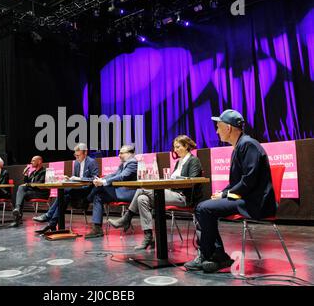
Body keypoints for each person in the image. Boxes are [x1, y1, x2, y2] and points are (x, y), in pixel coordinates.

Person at [184, 109, 277, 273]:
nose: (217, 131)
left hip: (255, 203)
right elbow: (237, 182)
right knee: (205, 207)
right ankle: (217, 254)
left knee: (203, 208)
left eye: (219, 126)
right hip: (246, 198)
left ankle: (209, 254)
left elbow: (249, 180)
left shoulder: (248, 145)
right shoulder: (240, 146)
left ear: (228, 127)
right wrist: (223, 192)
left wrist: (225, 194)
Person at [108, 135, 203, 250]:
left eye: (178, 147)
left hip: (183, 197)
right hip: (172, 193)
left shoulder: (193, 161)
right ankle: (148, 237)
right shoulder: (179, 162)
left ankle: (127, 218)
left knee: (142, 188)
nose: (175, 150)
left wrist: (174, 181)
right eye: (174, 147)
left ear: (186, 146)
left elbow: (192, 181)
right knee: (141, 199)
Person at [34, 143, 99, 234]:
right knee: (64, 197)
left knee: (64, 191)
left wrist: (79, 179)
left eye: (78, 155)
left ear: (85, 153)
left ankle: (48, 215)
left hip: (86, 191)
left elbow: (95, 179)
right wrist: (69, 178)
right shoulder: (76, 163)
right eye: (75, 155)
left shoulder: (92, 162)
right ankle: (52, 224)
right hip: (75, 190)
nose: (76, 157)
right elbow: (74, 177)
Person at [84, 144, 138, 239]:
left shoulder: (133, 163)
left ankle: (86, 200)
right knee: (98, 196)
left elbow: (122, 177)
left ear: (130, 154)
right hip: (118, 192)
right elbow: (113, 175)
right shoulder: (123, 164)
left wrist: (103, 182)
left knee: (101, 187)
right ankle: (97, 228)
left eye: (121, 153)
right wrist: (101, 179)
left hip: (127, 193)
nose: (119, 155)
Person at [11, 156, 49, 227]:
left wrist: (27, 184)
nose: (31, 162)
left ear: (39, 161)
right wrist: (26, 175)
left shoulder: (44, 171)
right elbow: (27, 182)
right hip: (32, 193)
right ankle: (18, 212)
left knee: (21, 191)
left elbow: (39, 184)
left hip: (41, 193)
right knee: (21, 193)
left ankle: (17, 215)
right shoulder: (33, 172)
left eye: (33, 161)